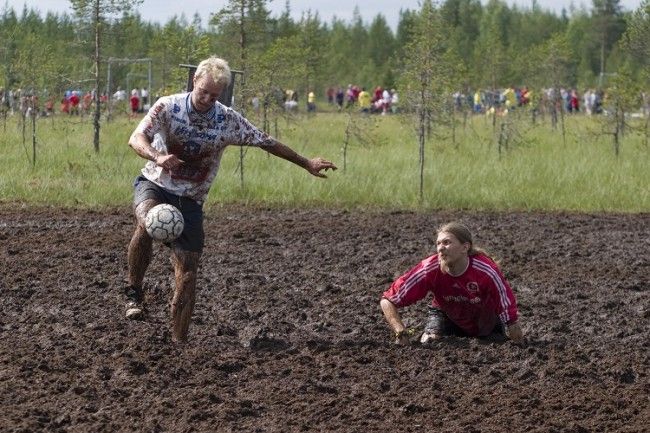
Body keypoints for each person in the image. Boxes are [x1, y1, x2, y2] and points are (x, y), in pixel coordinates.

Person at [125, 56, 337, 343]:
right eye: (204, 92)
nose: (208, 99)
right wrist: (158, 156)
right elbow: (136, 138)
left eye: (215, 95)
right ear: (194, 82)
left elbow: (266, 142)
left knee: (188, 274)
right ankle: (134, 291)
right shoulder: (168, 106)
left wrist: (306, 162)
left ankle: (179, 343)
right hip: (155, 183)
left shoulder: (227, 119)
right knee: (148, 221)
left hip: (190, 200)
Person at [380, 221, 524, 346]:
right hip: (446, 315)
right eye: (438, 243)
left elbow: (507, 306)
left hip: (483, 319)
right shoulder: (429, 268)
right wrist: (400, 332)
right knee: (429, 343)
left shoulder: (486, 270)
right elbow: (388, 300)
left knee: (497, 345)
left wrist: (515, 333)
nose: (440, 248)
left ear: (465, 247)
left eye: (447, 242)